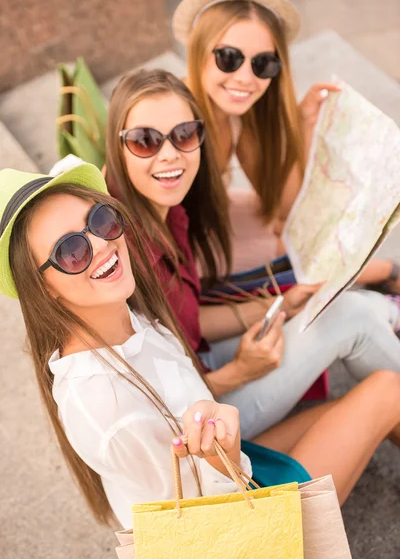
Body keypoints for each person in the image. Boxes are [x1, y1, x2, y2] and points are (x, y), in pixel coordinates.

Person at [2, 164, 400, 531]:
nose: (102, 245)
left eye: (100, 220)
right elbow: (202, 523)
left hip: (237, 467)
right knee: (387, 390)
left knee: (358, 401)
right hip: (245, 522)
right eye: (71, 252)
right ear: (44, 289)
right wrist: (220, 455)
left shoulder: (125, 317)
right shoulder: (104, 405)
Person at [102, 67, 400, 441]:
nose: (170, 155)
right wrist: (239, 372)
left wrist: (278, 306)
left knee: (354, 311)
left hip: (200, 364)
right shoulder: (116, 255)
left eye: (184, 134)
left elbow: (187, 322)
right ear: (117, 147)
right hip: (199, 424)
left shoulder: (168, 209)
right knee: (353, 319)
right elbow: (149, 407)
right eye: (145, 140)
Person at [173, 0, 400, 290]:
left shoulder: (239, 116)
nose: (246, 78)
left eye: (263, 63)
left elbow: (284, 205)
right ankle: (386, 273)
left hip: (206, 221)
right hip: (178, 250)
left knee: (294, 231)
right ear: (198, 51)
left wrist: (303, 126)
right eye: (228, 57)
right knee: (297, 251)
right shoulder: (173, 118)